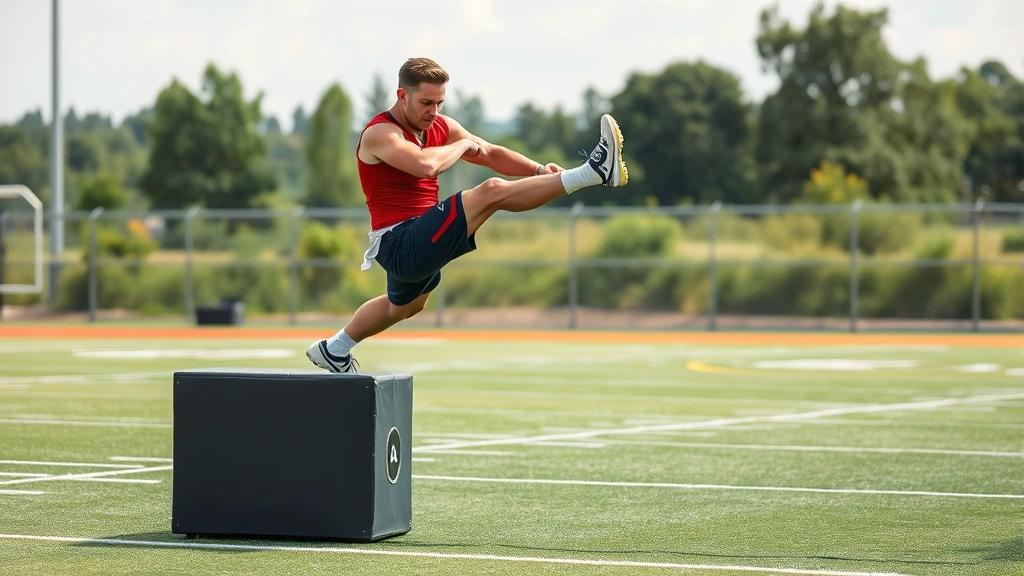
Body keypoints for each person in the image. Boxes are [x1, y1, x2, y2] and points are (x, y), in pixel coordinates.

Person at [306, 57, 627, 373]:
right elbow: (425, 164)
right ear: (402, 96)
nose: (434, 111)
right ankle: (592, 172)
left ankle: (334, 349)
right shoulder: (380, 133)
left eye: (440, 103)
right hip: (400, 243)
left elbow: (489, 152)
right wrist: (461, 145)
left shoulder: (439, 126)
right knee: (490, 192)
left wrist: (538, 169)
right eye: (426, 102)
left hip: (421, 239)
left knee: (403, 306)